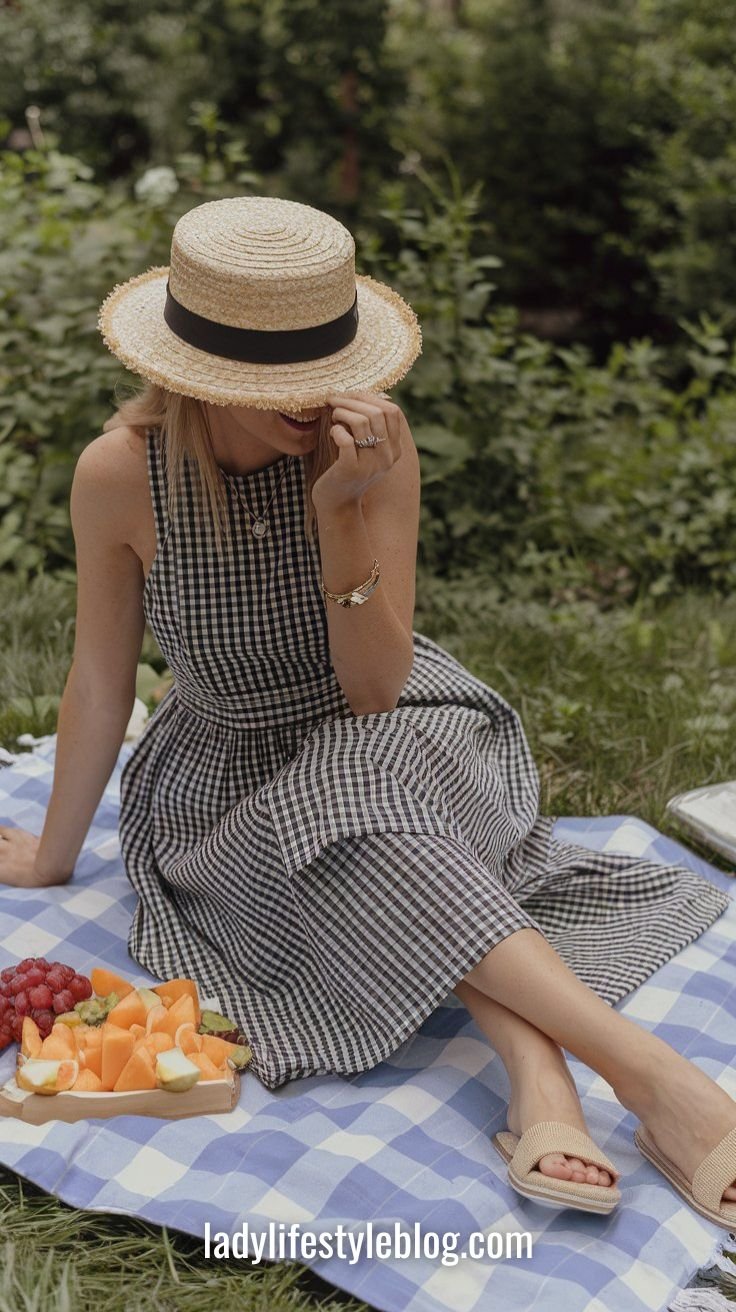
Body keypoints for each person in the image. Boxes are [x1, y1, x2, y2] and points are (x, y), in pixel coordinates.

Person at [0, 195, 734, 1225]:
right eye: (276, 379)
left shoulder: (373, 451)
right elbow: (96, 677)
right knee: (360, 828)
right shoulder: (122, 477)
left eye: (324, 366)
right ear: (199, 373)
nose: (314, 399)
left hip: (406, 733)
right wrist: (49, 855)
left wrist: (341, 510)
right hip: (234, 784)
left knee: (360, 788)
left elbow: (374, 692)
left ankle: (651, 1080)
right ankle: (551, 1078)